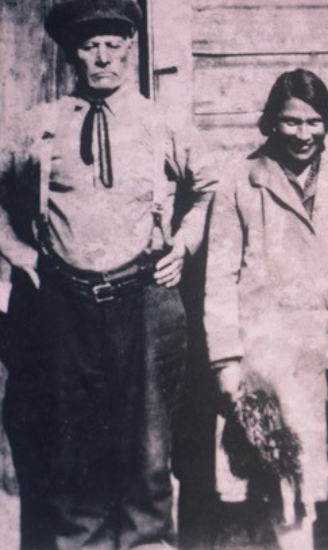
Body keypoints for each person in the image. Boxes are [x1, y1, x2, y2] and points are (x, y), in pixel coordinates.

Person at [0, 0, 218, 548]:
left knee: (148, 452)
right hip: (64, 306)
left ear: (129, 48)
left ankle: (146, 543)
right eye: (88, 44)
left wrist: (185, 244)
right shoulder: (40, 125)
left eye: (112, 44)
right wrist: (16, 251)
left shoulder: (161, 121)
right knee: (74, 456)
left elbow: (210, 187)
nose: (101, 57)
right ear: (73, 53)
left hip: (144, 300)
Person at [204, 69, 328, 550]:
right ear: (271, 124)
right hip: (274, 362)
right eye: (290, 122)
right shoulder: (239, 185)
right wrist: (228, 362)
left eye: (314, 122)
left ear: (327, 124)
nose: (303, 134)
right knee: (289, 480)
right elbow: (219, 279)